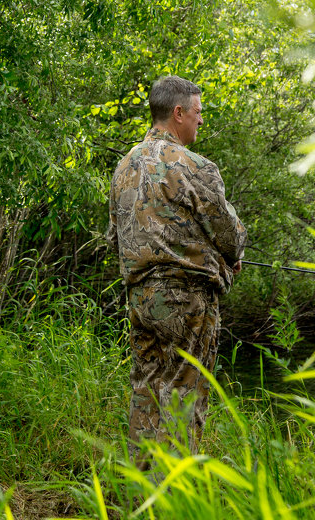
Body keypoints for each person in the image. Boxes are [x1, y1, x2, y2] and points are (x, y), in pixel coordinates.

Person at [106, 75, 246, 466]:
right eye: (198, 112)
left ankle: (140, 499)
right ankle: (175, 499)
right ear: (178, 113)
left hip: (140, 300)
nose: (202, 121)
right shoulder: (196, 167)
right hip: (187, 303)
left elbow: (115, 237)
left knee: (146, 396)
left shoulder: (123, 168)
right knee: (184, 400)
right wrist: (227, 256)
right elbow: (231, 237)